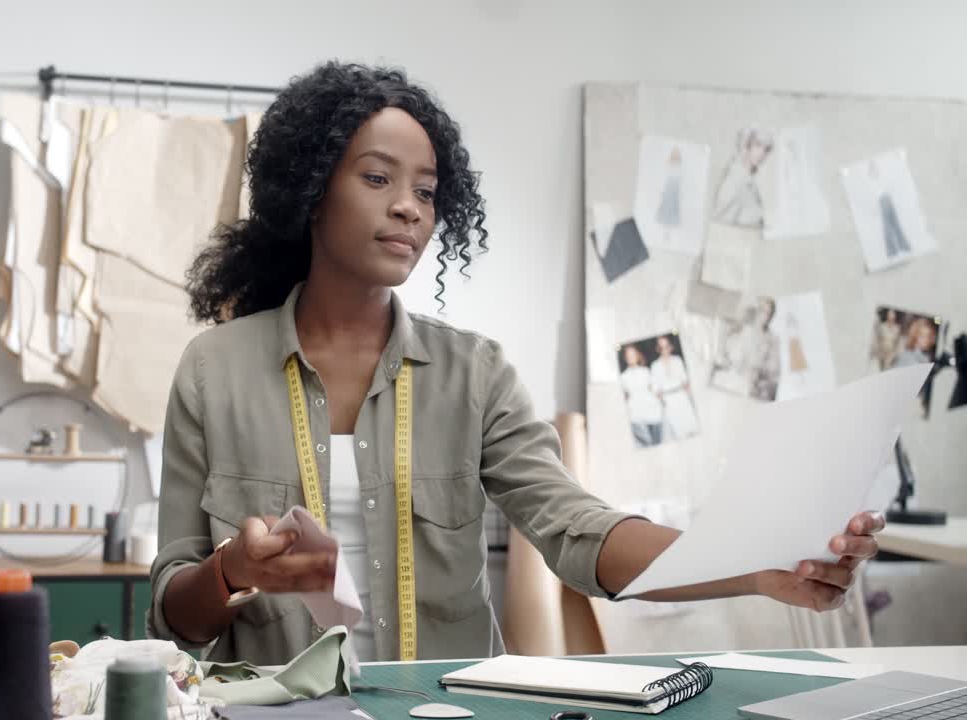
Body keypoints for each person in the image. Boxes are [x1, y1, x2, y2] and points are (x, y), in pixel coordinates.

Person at [149, 62, 883, 666]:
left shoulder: (476, 375)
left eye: (428, 191)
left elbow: (578, 531)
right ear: (310, 191)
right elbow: (171, 617)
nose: (409, 208)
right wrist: (232, 572)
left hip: (442, 714)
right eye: (378, 179)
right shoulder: (214, 371)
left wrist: (757, 567)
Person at [650, 335, 699, 441]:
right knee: (678, 431)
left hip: (682, 397)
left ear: (671, 346)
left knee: (692, 427)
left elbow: (685, 380)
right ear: (657, 349)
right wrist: (662, 401)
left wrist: (689, 395)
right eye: (661, 347)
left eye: (667, 346)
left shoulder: (678, 360)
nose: (665, 350)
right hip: (668, 401)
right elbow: (655, 388)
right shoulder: (655, 365)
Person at [620, 345, 663, 447]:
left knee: (658, 442)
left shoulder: (646, 371)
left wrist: (661, 400)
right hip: (636, 414)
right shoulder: (623, 377)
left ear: (638, 356)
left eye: (633, 354)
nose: (631, 357)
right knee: (646, 443)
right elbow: (624, 396)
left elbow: (654, 388)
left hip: (653, 410)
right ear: (625, 358)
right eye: (629, 355)